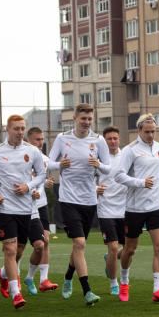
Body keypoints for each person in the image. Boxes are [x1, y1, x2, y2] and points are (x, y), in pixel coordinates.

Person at [0, 115, 47, 310]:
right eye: (16, 128)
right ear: (7, 129)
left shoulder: (32, 151)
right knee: (10, 250)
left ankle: (3, 274)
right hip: (5, 209)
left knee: (23, 250)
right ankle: (16, 293)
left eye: (22, 128)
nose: (20, 132)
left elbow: (42, 174)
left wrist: (28, 186)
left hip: (26, 209)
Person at [47, 103, 110, 306]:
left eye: (90, 119)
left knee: (78, 245)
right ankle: (87, 291)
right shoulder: (62, 138)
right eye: (83, 119)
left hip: (90, 200)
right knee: (80, 243)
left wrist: (98, 165)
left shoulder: (98, 140)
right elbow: (47, 163)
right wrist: (60, 165)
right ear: (74, 119)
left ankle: (67, 277)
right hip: (68, 199)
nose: (87, 122)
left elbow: (108, 169)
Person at [113, 115, 159, 302]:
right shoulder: (130, 150)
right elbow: (118, 176)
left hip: (156, 205)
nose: (150, 135)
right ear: (139, 131)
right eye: (147, 132)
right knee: (130, 249)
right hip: (134, 208)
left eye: (153, 131)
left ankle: (157, 290)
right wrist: (141, 183)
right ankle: (124, 282)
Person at [21, 126, 58, 293]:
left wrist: (46, 184)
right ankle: (7, 273)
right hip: (23, 207)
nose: (40, 142)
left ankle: (42, 279)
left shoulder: (43, 158)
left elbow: (40, 178)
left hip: (41, 205)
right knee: (19, 246)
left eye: (42, 139)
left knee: (44, 242)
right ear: (29, 139)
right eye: (37, 139)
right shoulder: (22, 156)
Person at [96, 125, 127, 296]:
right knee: (113, 247)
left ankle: (110, 260)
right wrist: (95, 188)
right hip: (106, 209)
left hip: (125, 209)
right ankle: (114, 284)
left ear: (119, 140)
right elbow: (87, 179)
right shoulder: (100, 160)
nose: (113, 141)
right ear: (104, 141)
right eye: (109, 139)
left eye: (115, 138)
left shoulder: (126, 157)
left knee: (130, 248)